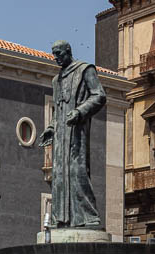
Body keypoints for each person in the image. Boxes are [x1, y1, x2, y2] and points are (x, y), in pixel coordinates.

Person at [38, 40, 106, 229]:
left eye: (59, 54)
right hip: (61, 137)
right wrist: (51, 128)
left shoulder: (85, 70)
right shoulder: (56, 80)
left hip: (77, 132)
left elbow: (99, 96)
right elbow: (58, 108)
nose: (56, 58)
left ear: (68, 51)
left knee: (78, 173)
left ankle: (88, 217)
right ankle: (61, 219)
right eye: (54, 55)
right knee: (59, 178)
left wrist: (80, 111)